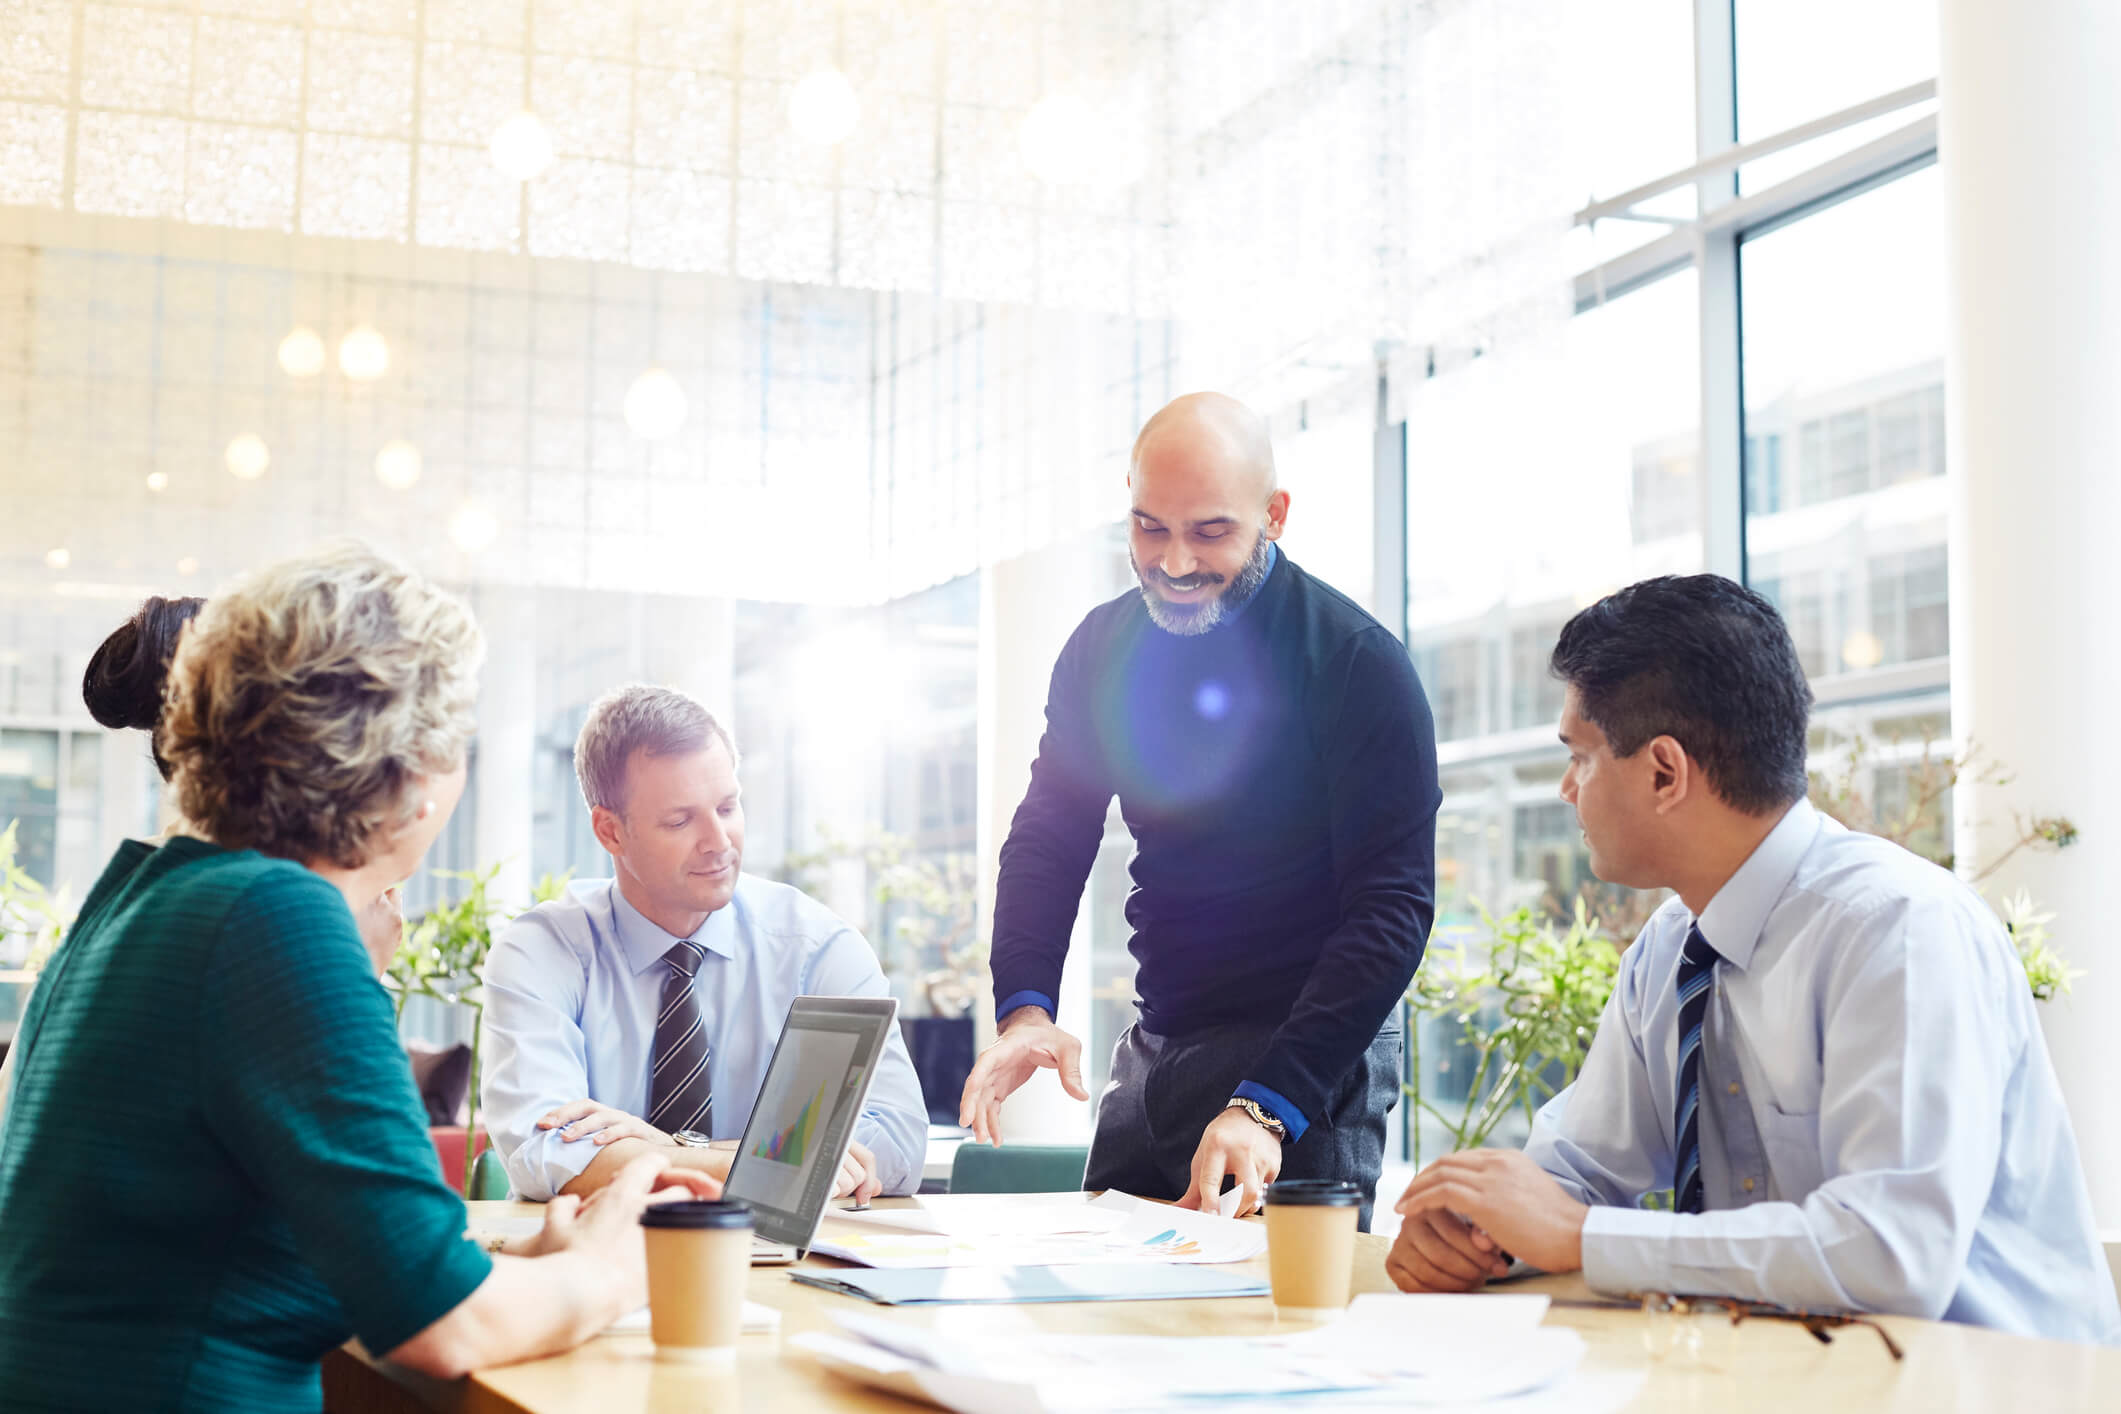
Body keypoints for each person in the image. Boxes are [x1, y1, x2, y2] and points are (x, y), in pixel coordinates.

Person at [0, 545, 718, 1412]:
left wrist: (505, 1267)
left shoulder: (134, 902)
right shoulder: (273, 922)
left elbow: (230, 1245)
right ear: (410, 774)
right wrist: (609, 1268)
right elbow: (447, 1329)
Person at [1388, 574, 2121, 1345]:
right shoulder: (1671, 947)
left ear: (1664, 772)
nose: (1568, 790)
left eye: (1580, 756)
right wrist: (1478, 1232)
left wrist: (1578, 1238)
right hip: (1790, 1370)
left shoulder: (1900, 931)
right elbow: (1580, 1170)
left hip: (1987, 1380)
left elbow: (1893, 1253)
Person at [960, 391, 1440, 1227]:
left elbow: (1392, 909)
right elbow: (1049, 834)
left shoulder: (1357, 665)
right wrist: (1025, 1007)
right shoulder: (1103, 648)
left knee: (1263, 1334)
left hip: (1305, 1059)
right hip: (1156, 1044)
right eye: (1149, 528)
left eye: (1210, 532)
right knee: (1104, 1319)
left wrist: (1267, 1104)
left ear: (1274, 515)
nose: (1174, 562)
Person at [480, 683, 927, 1203]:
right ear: (610, 832)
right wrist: (764, 1159)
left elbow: (896, 1143)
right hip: (589, 1259)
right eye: (679, 820)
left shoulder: (817, 947)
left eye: (728, 807)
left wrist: (670, 1150)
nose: (719, 841)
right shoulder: (543, 950)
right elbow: (545, 1154)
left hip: (773, 1263)